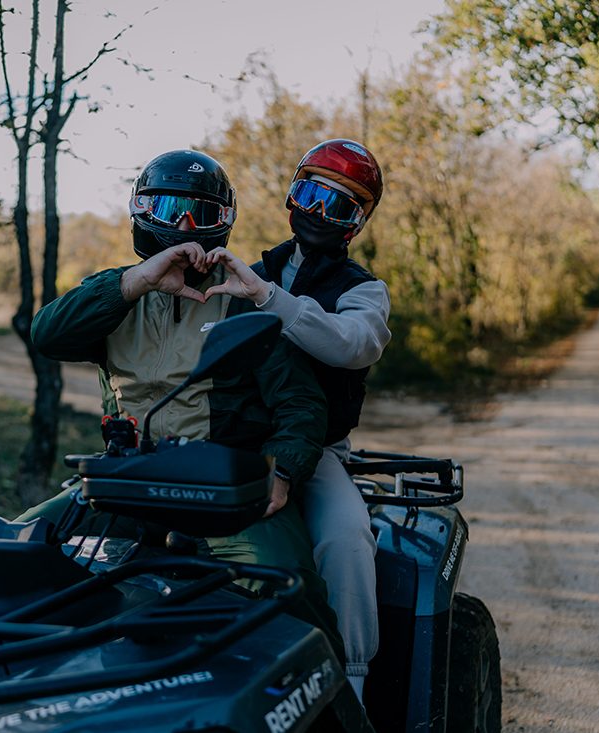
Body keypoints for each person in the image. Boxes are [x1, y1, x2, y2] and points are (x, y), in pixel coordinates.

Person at [20, 147, 355, 680]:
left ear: (223, 224)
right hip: (124, 479)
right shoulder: (114, 295)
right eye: (170, 207)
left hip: (220, 488)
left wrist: (282, 474)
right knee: (12, 552)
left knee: (288, 586)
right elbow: (46, 335)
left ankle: (331, 695)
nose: (184, 226)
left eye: (201, 213)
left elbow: (300, 404)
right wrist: (139, 280)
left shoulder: (242, 299)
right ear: (140, 210)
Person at [201, 139, 390, 702]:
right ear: (291, 196)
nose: (319, 213)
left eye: (341, 206)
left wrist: (267, 298)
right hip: (235, 443)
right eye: (310, 193)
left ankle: (352, 683)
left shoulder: (364, 290)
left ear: (358, 223)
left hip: (321, 451)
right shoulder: (248, 270)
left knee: (347, 539)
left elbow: (350, 345)